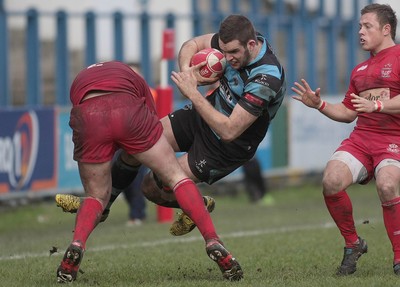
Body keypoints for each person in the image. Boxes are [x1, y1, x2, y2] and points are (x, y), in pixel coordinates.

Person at [56, 14, 286, 237]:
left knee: (152, 188)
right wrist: (188, 72)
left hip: (228, 145)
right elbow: (192, 44)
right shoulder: (234, 41)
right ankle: (102, 206)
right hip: (200, 117)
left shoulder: (266, 78)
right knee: (135, 146)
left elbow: (229, 130)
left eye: (233, 53)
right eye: (224, 51)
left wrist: (192, 92)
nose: (227, 58)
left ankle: (198, 207)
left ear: (252, 44)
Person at [56, 61, 243, 283]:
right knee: (176, 177)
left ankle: (78, 243)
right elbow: (150, 125)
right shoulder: (132, 77)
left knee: (95, 195)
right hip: (129, 111)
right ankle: (212, 240)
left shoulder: (79, 80)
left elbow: (86, 113)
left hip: (89, 115)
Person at [291, 3, 400, 276]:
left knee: (387, 185)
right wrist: (320, 105)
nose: (360, 32)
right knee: (331, 181)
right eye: (359, 26)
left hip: (393, 138)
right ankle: (353, 244)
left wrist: (377, 107)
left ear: (386, 30)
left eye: (367, 26)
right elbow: (349, 113)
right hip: (362, 139)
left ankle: (399, 257)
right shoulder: (359, 70)